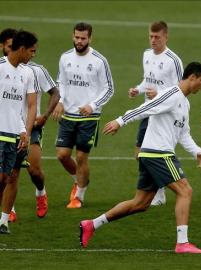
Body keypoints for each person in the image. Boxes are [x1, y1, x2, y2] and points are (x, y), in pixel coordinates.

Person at [79, 62, 201, 254]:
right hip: (158, 153)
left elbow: (183, 133)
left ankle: (91, 224)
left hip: (152, 154)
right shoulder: (171, 94)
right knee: (185, 191)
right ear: (192, 78)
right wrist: (120, 121)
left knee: (140, 204)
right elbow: (145, 108)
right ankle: (182, 243)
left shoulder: (184, 102)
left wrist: (197, 151)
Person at [0, 28, 60, 221]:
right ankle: (8, 212)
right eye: (7, 46)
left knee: (34, 170)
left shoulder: (35, 71)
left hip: (31, 126)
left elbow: (55, 93)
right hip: (9, 127)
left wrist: (44, 116)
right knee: (11, 173)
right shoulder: (4, 68)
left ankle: (41, 191)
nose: (9, 50)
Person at [52, 22, 114, 208]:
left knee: (80, 157)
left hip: (89, 116)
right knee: (62, 155)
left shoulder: (99, 61)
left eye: (83, 38)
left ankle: (79, 195)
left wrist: (93, 105)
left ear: (90, 38)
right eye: (76, 37)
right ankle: (79, 180)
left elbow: (109, 89)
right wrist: (61, 101)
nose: (79, 41)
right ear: (73, 36)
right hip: (68, 114)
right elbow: (60, 81)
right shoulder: (65, 58)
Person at [128, 21, 183, 206]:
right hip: (148, 111)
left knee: (156, 153)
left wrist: (158, 94)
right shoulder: (146, 55)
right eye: (151, 36)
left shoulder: (173, 61)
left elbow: (179, 90)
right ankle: (155, 190)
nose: (153, 40)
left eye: (157, 37)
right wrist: (138, 89)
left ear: (166, 37)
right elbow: (148, 80)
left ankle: (159, 193)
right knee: (140, 154)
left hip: (164, 114)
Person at [0, 30, 38, 233]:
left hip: (15, 134)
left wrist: (25, 131)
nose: (33, 55)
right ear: (21, 49)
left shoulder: (28, 73)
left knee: (8, 178)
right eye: (31, 51)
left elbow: (30, 105)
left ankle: (3, 221)